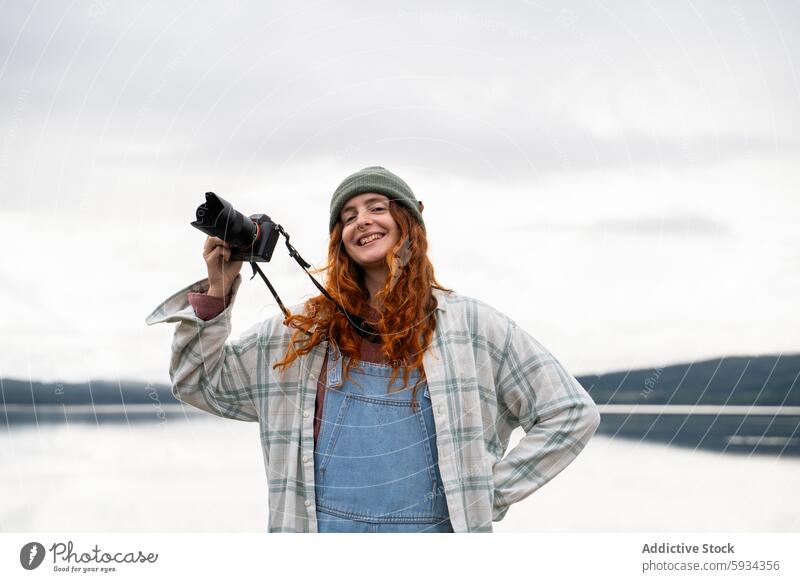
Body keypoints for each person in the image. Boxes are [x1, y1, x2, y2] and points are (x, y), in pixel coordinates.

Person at [146, 166, 601, 533]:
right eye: (347, 217)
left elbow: (570, 412)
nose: (361, 219)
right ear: (339, 241)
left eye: (376, 207)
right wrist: (219, 288)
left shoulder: (473, 327)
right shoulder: (300, 334)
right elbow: (199, 383)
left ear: (409, 223)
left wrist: (487, 493)